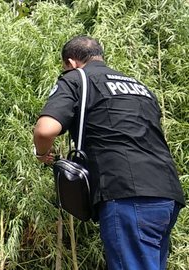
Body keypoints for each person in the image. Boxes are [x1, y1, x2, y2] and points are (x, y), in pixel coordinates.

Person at [33, 36, 185, 270]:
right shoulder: (139, 86)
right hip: (167, 193)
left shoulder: (77, 79)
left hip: (126, 192)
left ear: (71, 63)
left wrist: (42, 154)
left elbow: (45, 130)